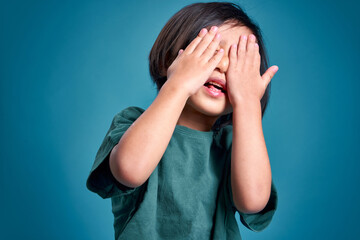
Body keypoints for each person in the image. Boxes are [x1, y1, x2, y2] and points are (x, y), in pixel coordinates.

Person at [87, 2, 279, 239]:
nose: (223, 65)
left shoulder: (234, 145)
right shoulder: (133, 122)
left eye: (237, 63)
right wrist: (178, 84)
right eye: (212, 51)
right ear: (171, 58)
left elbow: (253, 201)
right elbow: (129, 171)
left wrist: (248, 103)